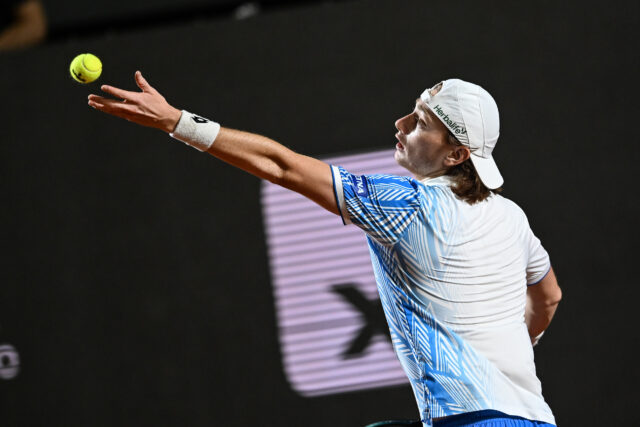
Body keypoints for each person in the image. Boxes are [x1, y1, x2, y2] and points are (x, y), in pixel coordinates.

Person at [87, 72, 562, 427]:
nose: (400, 123)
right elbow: (548, 298)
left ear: (456, 154)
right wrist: (509, 345)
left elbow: (282, 166)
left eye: (420, 122)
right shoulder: (512, 217)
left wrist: (175, 121)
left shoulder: (408, 205)